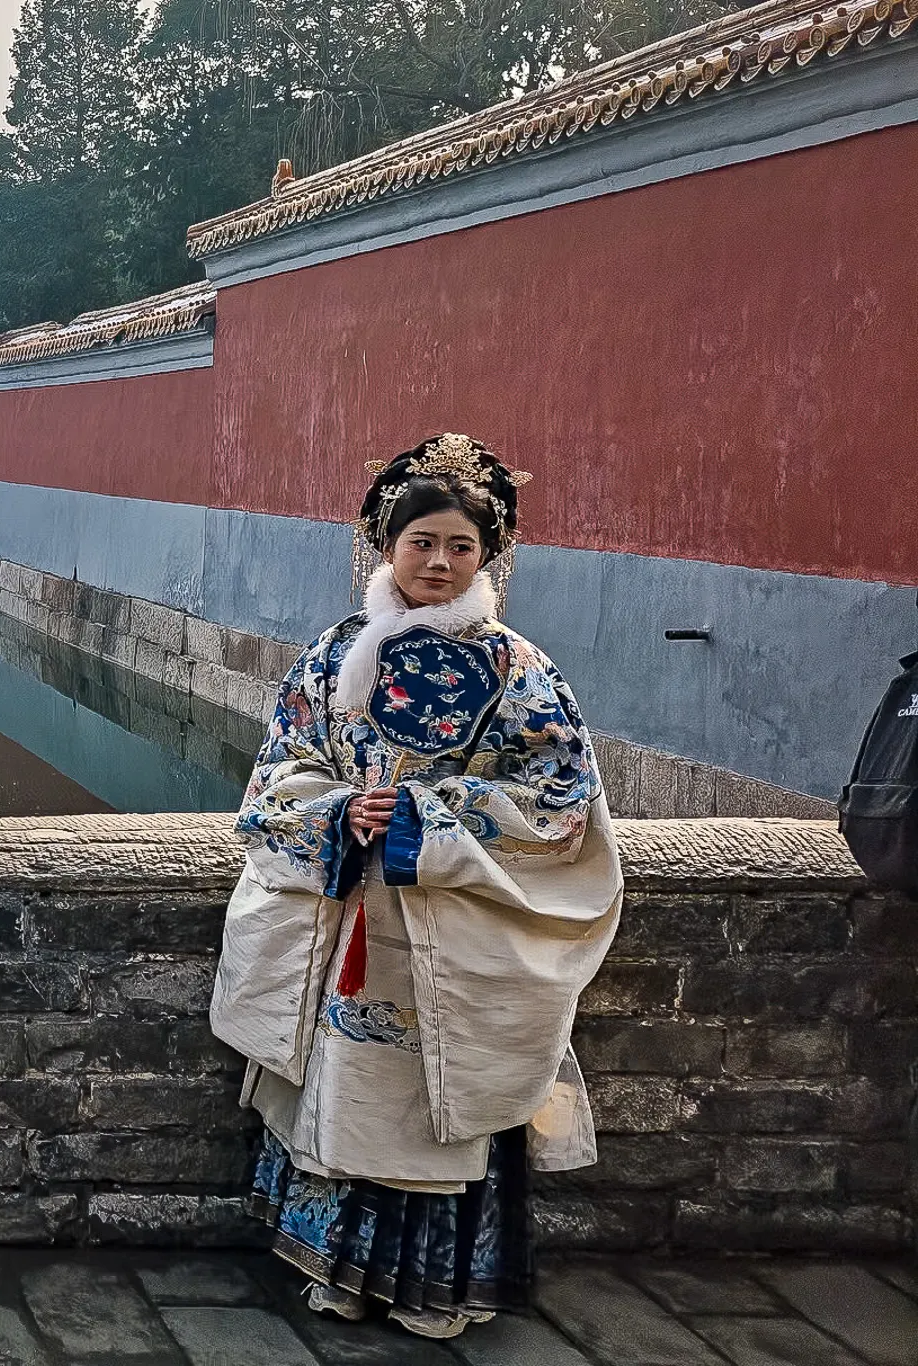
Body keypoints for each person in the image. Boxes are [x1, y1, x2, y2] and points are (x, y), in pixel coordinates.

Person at [209, 433, 622, 1340]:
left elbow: (561, 800)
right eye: (421, 542)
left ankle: (428, 1287)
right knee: (348, 1082)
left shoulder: (519, 671)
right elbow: (281, 769)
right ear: (383, 545)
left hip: (452, 927)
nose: (439, 562)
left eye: (461, 547)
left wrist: (435, 819)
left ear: (489, 557)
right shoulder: (334, 654)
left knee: (437, 1102)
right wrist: (336, 814)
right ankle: (337, 1275)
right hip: (351, 913)